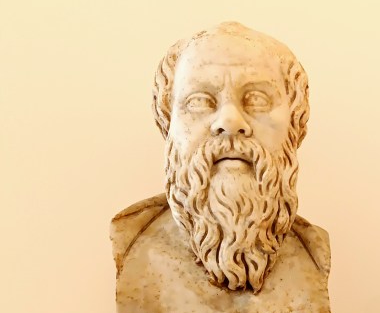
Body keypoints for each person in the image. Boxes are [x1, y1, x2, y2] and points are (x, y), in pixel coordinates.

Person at [112, 21, 327, 292]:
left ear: (295, 123)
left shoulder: (314, 253)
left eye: (257, 99)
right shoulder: (132, 243)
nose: (230, 121)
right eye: (199, 101)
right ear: (168, 123)